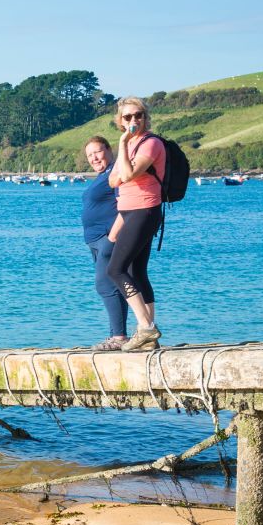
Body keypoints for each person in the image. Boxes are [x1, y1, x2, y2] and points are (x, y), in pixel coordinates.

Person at [106, 97, 163, 351]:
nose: (133, 121)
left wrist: (121, 143)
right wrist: (125, 150)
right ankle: (150, 337)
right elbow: (112, 181)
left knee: (115, 270)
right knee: (138, 272)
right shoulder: (131, 147)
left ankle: (146, 328)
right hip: (129, 211)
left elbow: (126, 175)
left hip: (144, 210)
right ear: (120, 120)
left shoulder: (150, 144)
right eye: (127, 117)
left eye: (138, 115)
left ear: (145, 117)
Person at [82, 136, 129, 350]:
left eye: (97, 152)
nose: (94, 158)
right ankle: (117, 336)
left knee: (104, 285)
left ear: (109, 150)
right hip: (97, 241)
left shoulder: (116, 172)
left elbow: (126, 205)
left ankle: (118, 337)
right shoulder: (103, 175)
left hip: (107, 238)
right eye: (90, 155)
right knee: (114, 286)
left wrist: (112, 238)